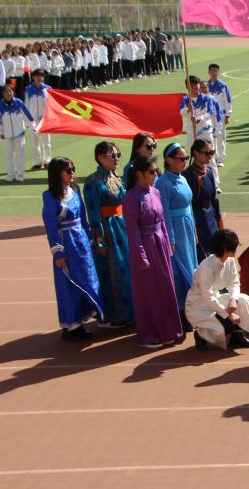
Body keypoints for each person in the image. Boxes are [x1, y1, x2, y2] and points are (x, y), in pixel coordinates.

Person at [122, 155, 184, 348]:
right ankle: (150, 335)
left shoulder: (155, 192)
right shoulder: (131, 198)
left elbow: (162, 221)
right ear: (139, 174)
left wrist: (167, 244)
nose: (155, 175)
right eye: (151, 172)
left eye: (156, 171)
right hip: (146, 246)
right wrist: (141, 256)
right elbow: (132, 231)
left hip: (160, 245)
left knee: (166, 288)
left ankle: (169, 331)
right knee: (150, 292)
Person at [41, 157, 104, 341]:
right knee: (69, 284)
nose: (72, 173)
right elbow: (51, 226)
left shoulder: (75, 190)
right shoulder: (50, 196)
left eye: (73, 169)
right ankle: (72, 326)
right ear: (57, 173)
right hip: (66, 243)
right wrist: (58, 252)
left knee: (88, 278)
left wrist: (90, 240)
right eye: (68, 170)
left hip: (81, 243)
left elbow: (83, 218)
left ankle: (88, 314)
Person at [83, 141, 134, 327]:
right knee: (112, 273)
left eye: (118, 155)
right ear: (100, 157)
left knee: (126, 269)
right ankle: (112, 315)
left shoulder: (116, 177)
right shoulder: (93, 182)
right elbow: (93, 212)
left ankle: (127, 312)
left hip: (121, 227)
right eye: (113, 155)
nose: (116, 159)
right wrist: (100, 240)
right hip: (108, 229)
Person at [186, 228, 249, 351]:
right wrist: (229, 315)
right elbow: (208, 298)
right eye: (234, 246)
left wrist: (233, 299)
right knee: (226, 322)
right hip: (199, 306)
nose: (236, 249)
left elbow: (234, 282)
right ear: (225, 248)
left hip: (217, 298)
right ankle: (201, 334)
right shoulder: (205, 268)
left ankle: (237, 336)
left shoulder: (230, 260)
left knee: (243, 300)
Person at [155, 142, 198, 321]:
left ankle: (192, 306)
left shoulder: (183, 178)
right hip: (176, 229)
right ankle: (180, 310)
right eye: (181, 158)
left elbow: (189, 205)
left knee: (191, 265)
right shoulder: (162, 183)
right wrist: (170, 239)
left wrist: (194, 230)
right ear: (169, 160)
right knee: (179, 269)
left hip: (187, 228)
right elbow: (164, 213)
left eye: (186, 158)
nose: (185, 161)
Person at [184, 139, 223, 262]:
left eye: (212, 153)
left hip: (211, 219)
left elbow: (214, 199)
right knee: (204, 257)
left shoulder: (209, 171)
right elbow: (188, 203)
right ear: (196, 153)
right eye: (206, 153)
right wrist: (193, 225)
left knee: (216, 254)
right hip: (199, 220)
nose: (210, 156)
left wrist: (219, 221)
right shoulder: (188, 175)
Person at [0, 84, 34, 183]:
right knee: (8, 156)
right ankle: (10, 175)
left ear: (13, 92)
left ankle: (20, 175)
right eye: (6, 92)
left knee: (20, 155)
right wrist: (0, 131)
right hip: (7, 134)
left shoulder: (19, 102)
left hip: (19, 133)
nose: (8, 93)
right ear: (3, 94)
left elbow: (27, 114)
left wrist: (33, 126)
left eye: (10, 91)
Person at [25, 69, 52, 170]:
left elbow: (51, 104)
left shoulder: (48, 89)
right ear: (33, 77)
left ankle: (47, 161)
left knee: (46, 142)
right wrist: (27, 120)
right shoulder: (28, 89)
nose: (39, 78)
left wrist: (49, 117)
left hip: (45, 119)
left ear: (43, 77)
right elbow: (26, 104)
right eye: (36, 76)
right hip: (33, 120)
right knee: (35, 142)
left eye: (41, 76)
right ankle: (38, 162)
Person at [206, 64, 232, 167]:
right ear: (208, 72)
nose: (214, 73)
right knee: (210, 136)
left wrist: (228, 114)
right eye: (212, 71)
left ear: (218, 72)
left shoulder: (223, 85)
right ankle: (213, 157)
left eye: (216, 71)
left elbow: (228, 100)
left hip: (220, 115)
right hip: (208, 116)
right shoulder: (205, 86)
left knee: (221, 137)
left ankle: (221, 159)